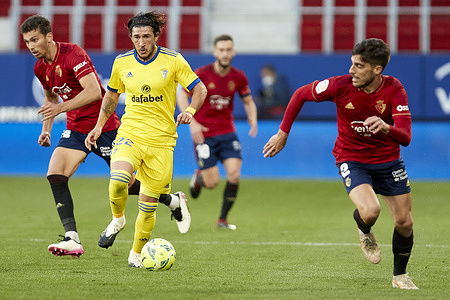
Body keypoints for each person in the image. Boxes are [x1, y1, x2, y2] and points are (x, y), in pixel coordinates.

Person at [20, 15, 191, 258]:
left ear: (49, 36)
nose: (31, 46)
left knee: (125, 183)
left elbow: (93, 92)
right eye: (27, 42)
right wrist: (46, 129)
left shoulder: (73, 54)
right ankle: (72, 238)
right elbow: (50, 99)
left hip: (105, 127)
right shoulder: (40, 67)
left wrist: (60, 109)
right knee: (55, 174)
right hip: (77, 128)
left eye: (34, 40)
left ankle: (171, 200)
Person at [263, 38, 418, 289]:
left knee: (405, 222)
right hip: (352, 157)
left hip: (388, 161)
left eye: (359, 66)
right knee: (370, 211)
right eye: (352, 63)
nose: (351, 70)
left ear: (377, 70)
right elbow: (300, 94)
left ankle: (400, 275)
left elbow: (407, 137)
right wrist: (283, 132)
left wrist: (386, 127)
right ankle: (364, 230)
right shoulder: (340, 85)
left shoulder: (394, 89)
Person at [85, 11, 206, 268]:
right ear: (130, 37)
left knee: (147, 206)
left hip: (162, 141)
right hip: (131, 133)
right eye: (137, 37)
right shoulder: (122, 62)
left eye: (146, 37)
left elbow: (200, 89)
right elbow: (111, 97)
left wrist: (190, 111)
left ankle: (136, 254)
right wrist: (98, 126)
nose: (141, 42)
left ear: (156, 36)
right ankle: (118, 220)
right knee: (118, 181)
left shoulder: (173, 60)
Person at [177, 34, 258, 230]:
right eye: (221, 50)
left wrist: (252, 117)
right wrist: (192, 122)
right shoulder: (202, 74)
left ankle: (222, 219)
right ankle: (200, 176)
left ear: (233, 52)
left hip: (227, 132)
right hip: (204, 134)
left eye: (228, 49)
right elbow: (181, 94)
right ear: (214, 52)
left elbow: (247, 101)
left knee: (234, 176)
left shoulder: (238, 76)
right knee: (212, 182)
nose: (225, 53)